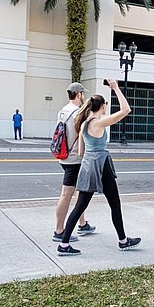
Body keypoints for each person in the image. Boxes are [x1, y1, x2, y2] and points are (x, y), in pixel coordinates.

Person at [57, 78, 141, 256]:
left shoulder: (84, 123)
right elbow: (126, 110)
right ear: (102, 106)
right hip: (101, 165)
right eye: (106, 105)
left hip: (88, 165)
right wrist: (115, 88)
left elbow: (80, 152)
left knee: (80, 206)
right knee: (115, 204)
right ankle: (123, 240)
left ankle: (64, 244)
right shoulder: (98, 122)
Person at [55, 83, 93, 243]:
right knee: (66, 194)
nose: (84, 96)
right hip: (75, 159)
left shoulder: (63, 111)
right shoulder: (78, 113)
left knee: (80, 191)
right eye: (83, 94)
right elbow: (84, 135)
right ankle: (59, 230)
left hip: (64, 156)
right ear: (79, 94)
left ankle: (82, 223)